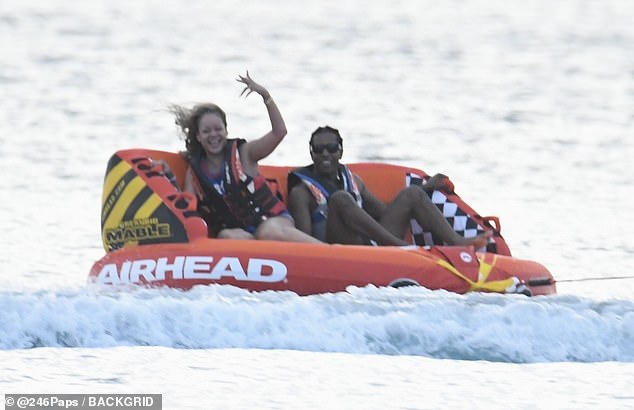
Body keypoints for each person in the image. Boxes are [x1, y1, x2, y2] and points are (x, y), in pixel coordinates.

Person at [169, 72, 321, 243]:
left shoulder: (244, 153)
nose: (214, 135)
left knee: (267, 233)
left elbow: (279, 133)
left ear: (226, 131)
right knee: (226, 236)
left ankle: (326, 252)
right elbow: (189, 207)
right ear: (198, 136)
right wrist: (168, 175)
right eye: (206, 131)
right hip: (241, 233)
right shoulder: (195, 171)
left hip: (272, 221)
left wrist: (266, 96)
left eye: (218, 129)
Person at [287, 126, 492, 248]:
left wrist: (426, 188)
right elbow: (305, 240)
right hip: (337, 247)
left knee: (412, 194)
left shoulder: (354, 181)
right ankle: (402, 248)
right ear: (311, 153)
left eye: (331, 148)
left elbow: (385, 212)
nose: (325, 154)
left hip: (369, 243)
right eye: (318, 149)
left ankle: (457, 242)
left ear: (340, 151)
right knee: (340, 198)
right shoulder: (301, 193)